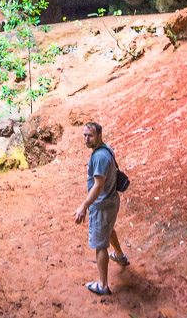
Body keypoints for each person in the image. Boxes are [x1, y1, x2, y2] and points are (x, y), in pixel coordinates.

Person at [73, 121, 129, 295]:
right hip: (112, 200)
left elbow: (98, 186)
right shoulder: (107, 149)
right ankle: (120, 256)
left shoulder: (98, 157)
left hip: (102, 205)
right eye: (84, 135)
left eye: (90, 135)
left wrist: (84, 205)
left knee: (100, 245)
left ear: (99, 136)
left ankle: (103, 285)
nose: (86, 139)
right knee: (109, 230)